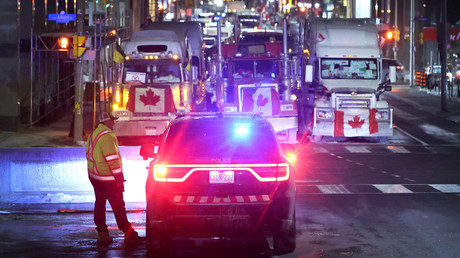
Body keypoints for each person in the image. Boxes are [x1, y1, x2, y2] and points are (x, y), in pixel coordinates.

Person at [86, 111, 142, 246]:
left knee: (99, 206)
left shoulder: (94, 134)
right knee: (118, 207)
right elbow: (112, 160)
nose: (114, 123)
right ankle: (129, 234)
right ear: (105, 121)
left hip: (95, 177)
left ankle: (102, 235)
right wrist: (119, 179)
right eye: (112, 120)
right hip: (108, 179)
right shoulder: (107, 136)